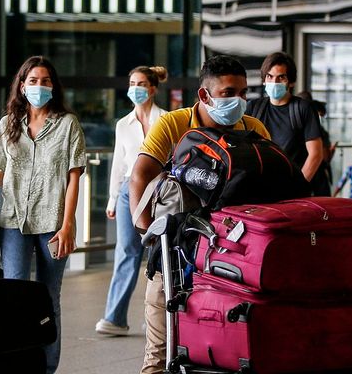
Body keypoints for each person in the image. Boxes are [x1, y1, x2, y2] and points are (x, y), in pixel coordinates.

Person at [129, 55, 271, 374]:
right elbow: (140, 174)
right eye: (228, 92)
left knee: (224, 346)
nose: (238, 100)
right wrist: (148, 231)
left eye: (243, 92)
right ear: (204, 95)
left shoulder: (253, 128)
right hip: (177, 251)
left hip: (232, 255)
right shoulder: (174, 124)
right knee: (161, 351)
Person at [0, 55, 86, 373]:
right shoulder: (8, 123)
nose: (40, 86)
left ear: (54, 86)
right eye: (33, 81)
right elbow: (1, 169)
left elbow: (74, 177)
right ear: (22, 86)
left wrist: (67, 226)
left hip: (53, 223)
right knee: (13, 293)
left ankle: (47, 367)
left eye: (46, 80)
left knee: (48, 297)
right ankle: (16, 362)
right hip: (13, 221)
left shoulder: (67, 125)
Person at [95, 65, 168, 337]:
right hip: (128, 189)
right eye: (132, 83)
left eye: (140, 84)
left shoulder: (167, 119)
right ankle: (114, 318)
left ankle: (156, 315)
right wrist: (112, 199)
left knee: (158, 250)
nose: (135, 89)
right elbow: (118, 163)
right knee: (126, 251)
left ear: (152, 88)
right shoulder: (122, 125)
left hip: (160, 189)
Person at [245, 52, 324, 192]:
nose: (274, 82)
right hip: (259, 189)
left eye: (281, 77)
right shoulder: (253, 108)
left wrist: (298, 186)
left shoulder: (303, 109)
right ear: (264, 80)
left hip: (292, 189)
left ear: (291, 82)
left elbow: (316, 154)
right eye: (270, 76)